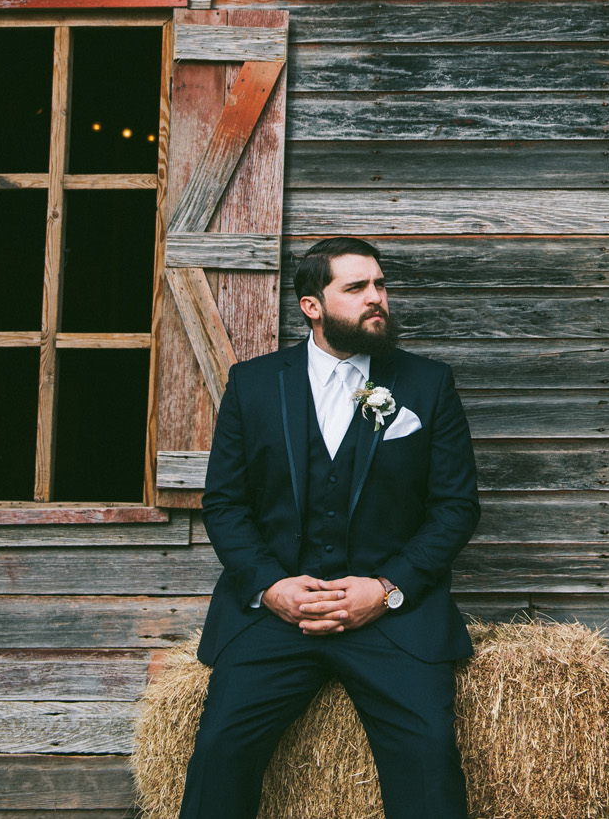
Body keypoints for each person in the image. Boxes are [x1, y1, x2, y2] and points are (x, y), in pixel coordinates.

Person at [179, 236, 480, 819]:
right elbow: (225, 504)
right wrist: (271, 586)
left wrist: (386, 588)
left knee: (429, 754)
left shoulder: (426, 384)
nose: (377, 299)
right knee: (219, 749)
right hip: (277, 616)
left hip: (392, 616)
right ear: (312, 306)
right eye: (357, 288)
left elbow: (455, 507)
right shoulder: (253, 384)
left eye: (381, 285)